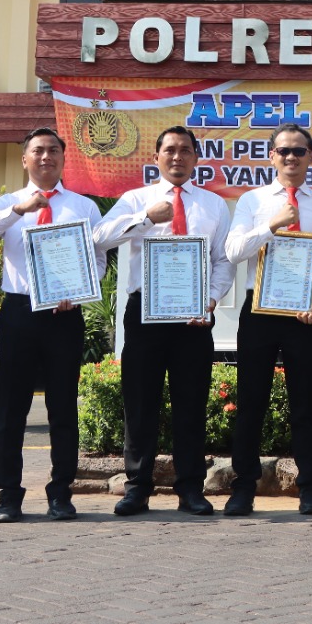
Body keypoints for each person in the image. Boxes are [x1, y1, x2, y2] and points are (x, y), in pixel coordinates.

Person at [93, 126, 233, 517]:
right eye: (169, 150)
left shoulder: (213, 205)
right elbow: (100, 237)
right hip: (145, 313)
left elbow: (223, 262)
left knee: (191, 404)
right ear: (155, 158)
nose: (177, 157)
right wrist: (144, 218)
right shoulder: (135, 199)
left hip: (194, 315)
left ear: (195, 158)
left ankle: (190, 488)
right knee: (140, 403)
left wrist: (210, 300)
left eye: (185, 150)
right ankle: (137, 487)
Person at [0, 127, 104, 522]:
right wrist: (17, 210)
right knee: (11, 409)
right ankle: (8, 495)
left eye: (53, 151)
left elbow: (96, 260)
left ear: (64, 159)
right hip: (18, 312)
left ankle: (61, 492)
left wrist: (79, 292)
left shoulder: (83, 206)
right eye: (38, 151)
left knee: (63, 407)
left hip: (65, 315)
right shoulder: (8, 203)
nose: (46, 157)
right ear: (25, 159)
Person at [223, 124, 312, 517]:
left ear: (311, 157)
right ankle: (243, 488)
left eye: (298, 151)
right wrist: (271, 225)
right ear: (271, 156)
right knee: (251, 402)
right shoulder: (253, 201)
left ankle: (310, 488)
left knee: (305, 405)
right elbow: (234, 251)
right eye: (283, 152)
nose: (291, 158)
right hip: (258, 312)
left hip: (303, 316)